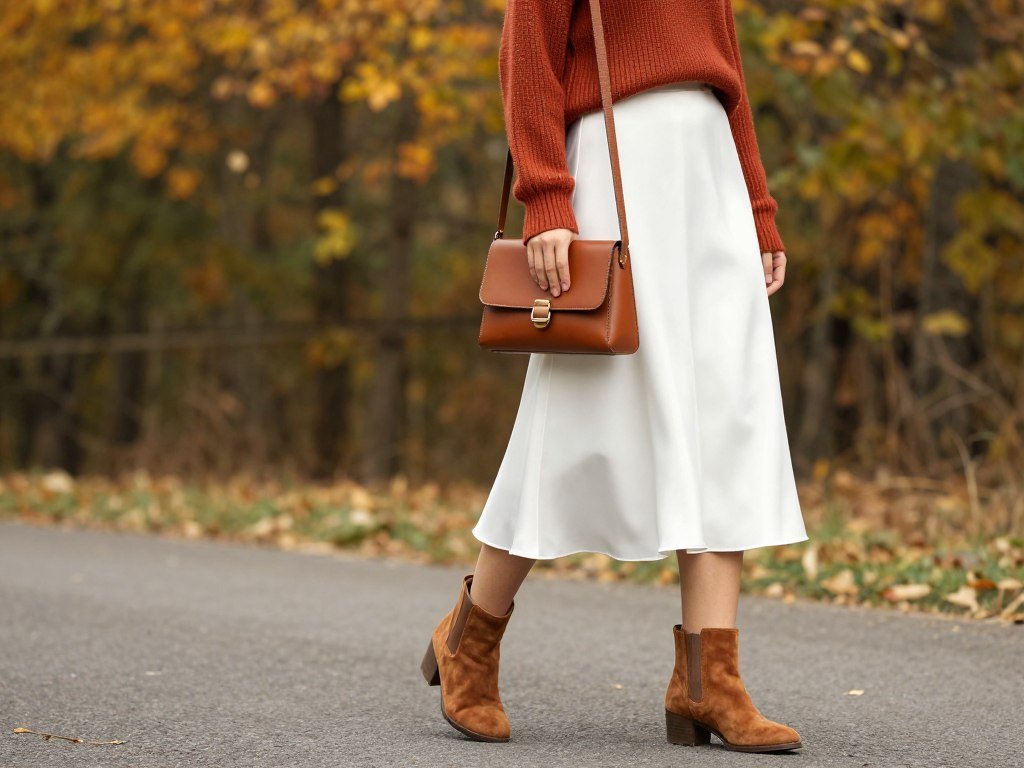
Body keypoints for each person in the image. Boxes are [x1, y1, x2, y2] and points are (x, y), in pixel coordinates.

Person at [420, 0, 808, 751]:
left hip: (710, 176)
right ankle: (470, 641)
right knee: (576, 419)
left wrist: (758, 205)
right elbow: (526, 53)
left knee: (726, 411)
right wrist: (547, 196)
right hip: (613, 166)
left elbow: (726, 69)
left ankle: (709, 681)